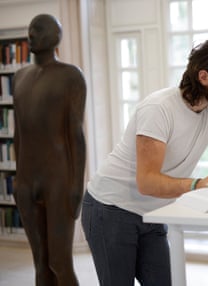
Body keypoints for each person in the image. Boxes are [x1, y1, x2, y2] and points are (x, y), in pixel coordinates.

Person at [81, 37, 208, 286]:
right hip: (110, 208)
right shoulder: (159, 109)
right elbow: (147, 182)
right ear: (204, 77)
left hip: (153, 213)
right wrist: (197, 184)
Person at [12, 14, 87, 286]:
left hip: (59, 179)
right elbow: (19, 131)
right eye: (30, 28)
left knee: (59, 263)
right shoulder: (20, 77)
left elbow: (76, 134)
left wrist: (77, 184)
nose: (31, 33)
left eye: (39, 29)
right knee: (40, 264)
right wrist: (19, 178)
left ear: (55, 36)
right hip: (27, 180)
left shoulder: (71, 76)